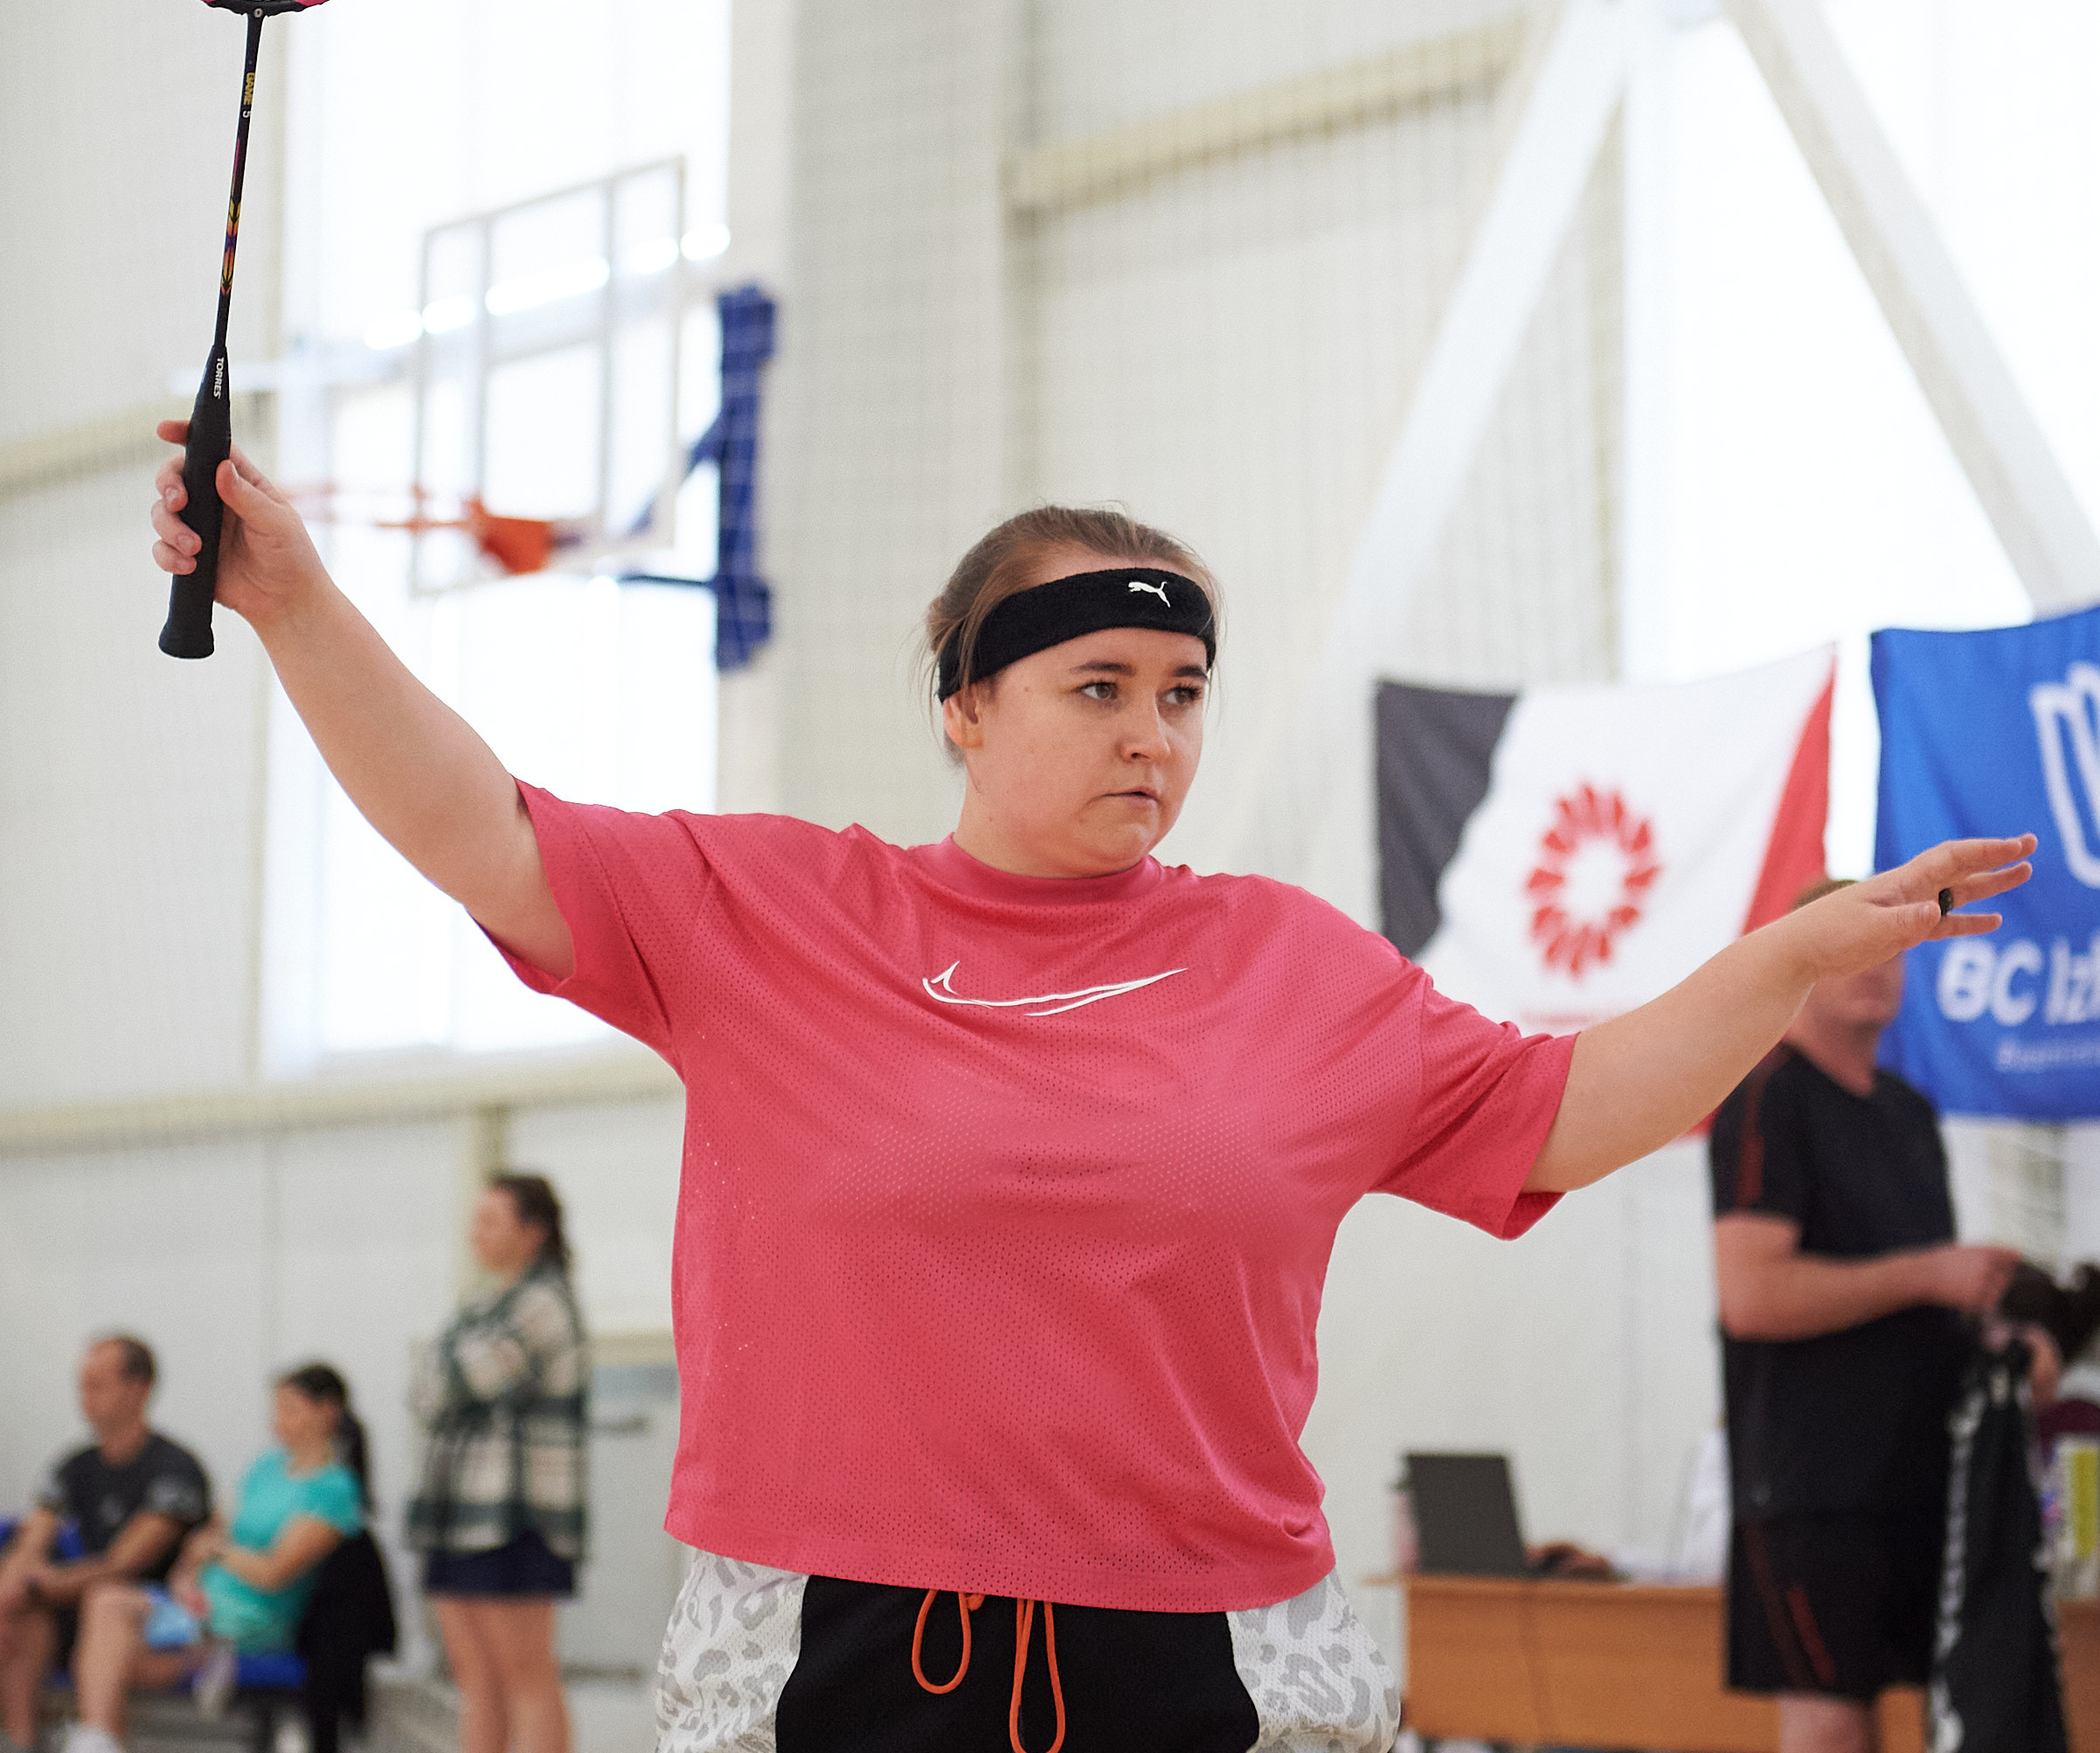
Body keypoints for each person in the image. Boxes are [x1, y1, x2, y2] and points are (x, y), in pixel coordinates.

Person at [149, 433, 2035, 1752]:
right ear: (966, 707)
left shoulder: (1294, 964)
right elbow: (478, 827)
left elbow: (1563, 1108)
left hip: (1216, 1644)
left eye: (1183, 690)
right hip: (832, 1645)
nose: (1153, 731)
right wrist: (293, 599)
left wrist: (1781, 956)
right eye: (1099, 685)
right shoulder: (772, 912)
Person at [1708, 876, 2061, 1753]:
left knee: (1947, 1712)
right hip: (1810, 1490)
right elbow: (1751, 1296)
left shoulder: (1908, 1112)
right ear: (1805, 957)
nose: (1877, 967)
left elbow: (1925, 1303)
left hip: (1916, 1477)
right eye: (1855, 945)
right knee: (1831, 1718)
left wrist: (2002, 1342)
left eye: (1893, 947)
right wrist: (1928, 1274)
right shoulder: (1766, 1097)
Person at [62, 1365, 366, 1753]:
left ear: (327, 1412)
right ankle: (99, 1738)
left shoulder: (334, 1488)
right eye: (276, 1408)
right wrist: (185, 1578)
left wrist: (220, 1552)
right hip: (199, 1605)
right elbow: (207, 1536)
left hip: (253, 1620)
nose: (278, 1419)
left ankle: (102, 1734)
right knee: (104, 1614)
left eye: (291, 1409)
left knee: (105, 1655)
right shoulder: (265, 1468)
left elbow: (274, 1571)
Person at [407, 1174, 586, 1753]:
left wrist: (440, 1371)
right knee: (474, 1678)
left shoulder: (544, 1302)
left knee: (525, 1674)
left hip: (516, 1515)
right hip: (456, 1509)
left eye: (491, 1220)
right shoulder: (480, 1305)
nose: (475, 1233)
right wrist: (439, 1375)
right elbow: (422, 1393)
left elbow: (457, 1381)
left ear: (533, 1232)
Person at [0, 1337, 210, 1753]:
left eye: (97, 1384)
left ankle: (96, 1739)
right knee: (26, 1617)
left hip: (159, 1617)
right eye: (82, 1385)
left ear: (138, 1389)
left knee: (105, 1601)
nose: (85, 1397)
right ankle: (20, 1742)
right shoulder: (74, 1465)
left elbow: (125, 1563)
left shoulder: (175, 1468)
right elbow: (32, 1539)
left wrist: (38, 1585)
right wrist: (10, 1595)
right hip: (79, 1607)